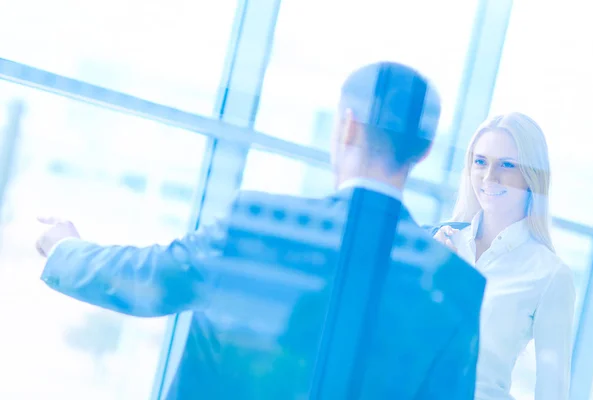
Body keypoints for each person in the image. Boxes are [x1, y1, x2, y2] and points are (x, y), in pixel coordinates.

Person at [35, 61, 486, 399]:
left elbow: (150, 279)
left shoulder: (258, 224)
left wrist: (66, 248)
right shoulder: (458, 286)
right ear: (424, 149)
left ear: (346, 126)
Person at [433, 112, 576, 400]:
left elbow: (553, 392)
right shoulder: (441, 244)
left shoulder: (549, 275)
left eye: (506, 165)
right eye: (480, 162)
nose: (490, 177)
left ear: (531, 176)